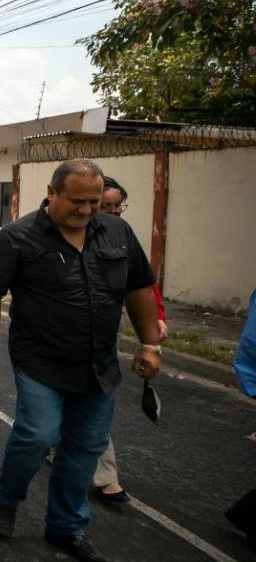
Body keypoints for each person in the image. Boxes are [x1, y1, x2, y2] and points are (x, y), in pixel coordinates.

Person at [0, 159, 162, 562]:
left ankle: (66, 527)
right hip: (40, 360)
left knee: (84, 449)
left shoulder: (117, 231)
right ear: (52, 193)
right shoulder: (16, 238)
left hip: (98, 365)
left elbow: (139, 288)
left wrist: (150, 344)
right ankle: (7, 498)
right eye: (77, 201)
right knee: (38, 434)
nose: (86, 209)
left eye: (94, 201)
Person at [90, 175, 169, 502]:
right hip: (58, 336)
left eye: (116, 207)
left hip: (104, 335)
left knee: (95, 400)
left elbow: (142, 284)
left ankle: (106, 476)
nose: (109, 213)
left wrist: (154, 326)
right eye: (102, 206)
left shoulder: (122, 238)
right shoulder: (69, 233)